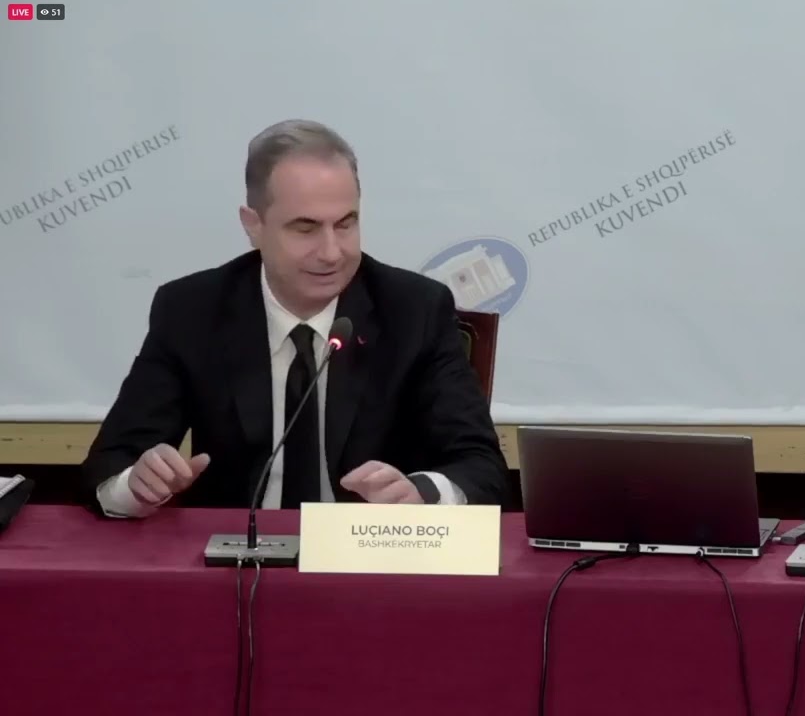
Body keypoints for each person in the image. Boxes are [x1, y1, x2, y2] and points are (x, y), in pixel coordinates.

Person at [82, 119, 508, 517]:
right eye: (305, 228)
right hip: (234, 556)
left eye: (346, 224)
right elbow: (109, 464)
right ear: (253, 225)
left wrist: (422, 493)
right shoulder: (192, 310)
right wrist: (135, 486)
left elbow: (481, 466)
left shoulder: (414, 310)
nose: (331, 252)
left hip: (368, 558)